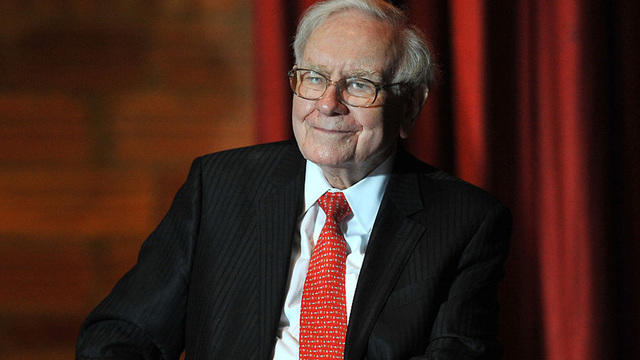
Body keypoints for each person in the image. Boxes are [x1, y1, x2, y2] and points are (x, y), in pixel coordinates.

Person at [76, 0, 511, 359]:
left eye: (359, 85)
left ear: (410, 106)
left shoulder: (465, 223)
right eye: (315, 78)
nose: (327, 104)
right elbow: (119, 334)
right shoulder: (220, 187)